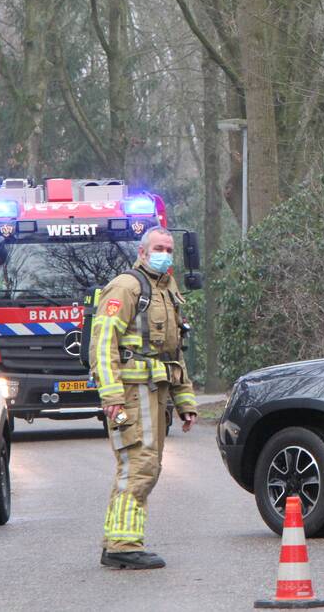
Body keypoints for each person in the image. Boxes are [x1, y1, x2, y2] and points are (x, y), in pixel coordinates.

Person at [90, 226, 198, 569]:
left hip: (155, 393)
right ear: (142, 251)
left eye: (168, 248)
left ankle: (118, 541)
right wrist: (111, 396)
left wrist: (186, 401)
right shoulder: (127, 287)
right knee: (139, 464)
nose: (164, 253)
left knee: (142, 466)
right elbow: (103, 343)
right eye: (158, 247)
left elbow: (173, 353)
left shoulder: (167, 291)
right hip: (132, 395)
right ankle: (123, 545)